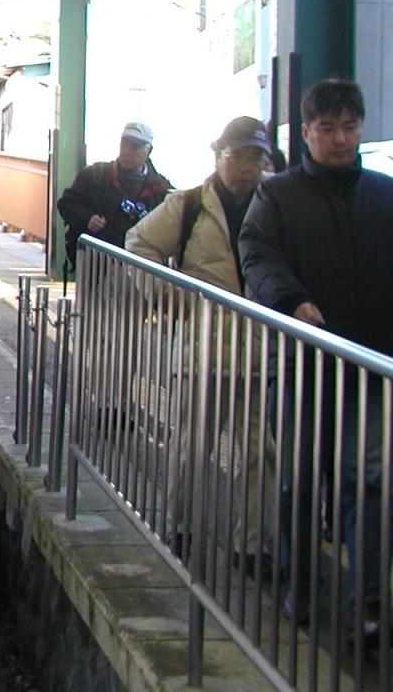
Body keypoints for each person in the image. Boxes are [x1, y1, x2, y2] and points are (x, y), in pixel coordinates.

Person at [239, 79, 393, 639]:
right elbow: (257, 255)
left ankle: (367, 603)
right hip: (302, 364)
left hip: (371, 366)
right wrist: (293, 302)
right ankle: (302, 584)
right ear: (305, 132)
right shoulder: (276, 196)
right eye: (327, 128)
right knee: (300, 480)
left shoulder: (384, 195)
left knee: (368, 479)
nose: (339, 138)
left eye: (349, 127)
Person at [125, 116, 277, 578]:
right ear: (217, 155)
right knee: (193, 447)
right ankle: (181, 528)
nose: (246, 167)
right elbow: (138, 243)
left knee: (261, 454)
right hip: (203, 350)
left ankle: (254, 547)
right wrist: (166, 293)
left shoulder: (278, 201)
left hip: (261, 353)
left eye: (255, 157)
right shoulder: (189, 204)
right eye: (237, 156)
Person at [57, 121, 173, 268]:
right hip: (95, 265)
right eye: (124, 144)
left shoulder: (160, 189)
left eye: (135, 147)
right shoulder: (94, 176)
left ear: (148, 150)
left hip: (138, 267)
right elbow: (66, 204)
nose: (127, 151)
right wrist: (87, 218)